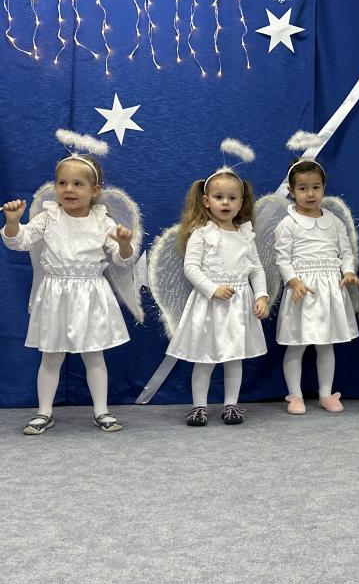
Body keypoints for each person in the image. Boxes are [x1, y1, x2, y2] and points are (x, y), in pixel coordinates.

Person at [2, 136, 139, 434]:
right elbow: (19, 241)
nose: (69, 189)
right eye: (62, 183)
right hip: (55, 295)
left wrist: (124, 244)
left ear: (95, 190)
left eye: (78, 184)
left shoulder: (102, 221)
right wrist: (13, 222)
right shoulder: (48, 217)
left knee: (94, 355)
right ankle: (44, 412)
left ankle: (102, 411)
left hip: (91, 295)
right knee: (51, 357)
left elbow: (122, 260)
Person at [166, 166, 269, 426]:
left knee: (234, 357)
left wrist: (261, 296)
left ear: (241, 203)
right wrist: (212, 289)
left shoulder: (245, 235)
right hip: (210, 305)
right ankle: (199, 406)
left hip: (238, 305)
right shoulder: (201, 234)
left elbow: (256, 268)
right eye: (219, 197)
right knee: (205, 358)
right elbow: (191, 268)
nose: (225, 203)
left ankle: (231, 405)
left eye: (232, 198)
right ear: (206, 201)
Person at [274, 158, 359, 414]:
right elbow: (282, 258)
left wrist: (348, 271)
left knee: (326, 344)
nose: (310, 194)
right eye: (302, 188)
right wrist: (294, 281)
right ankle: (295, 395)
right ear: (291, 191)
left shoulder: (334, 221)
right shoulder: (288, 223)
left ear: (323, 187)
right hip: (302, 290)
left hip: (329, 290)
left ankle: (325, 394)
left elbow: (346, 251)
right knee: (296, 344)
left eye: (315, 187)